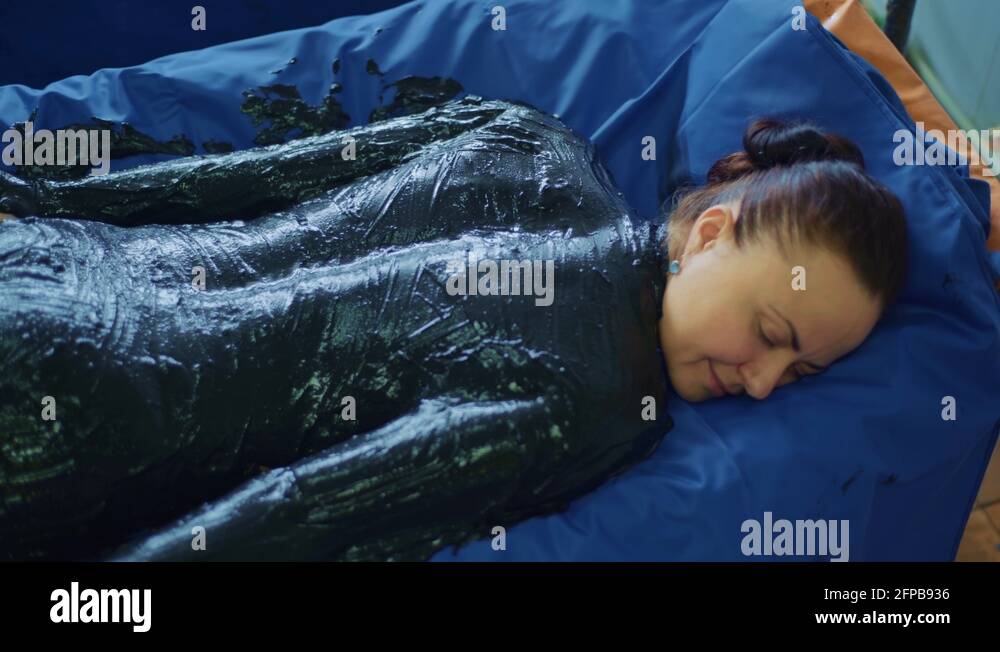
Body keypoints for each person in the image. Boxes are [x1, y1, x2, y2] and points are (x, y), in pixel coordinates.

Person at [0, 98, 906, 560]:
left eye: (795, 377)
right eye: (772, 331)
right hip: (76, 421)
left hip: (53, 262)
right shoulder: (603, 402)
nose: (758, 381)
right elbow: (295, 517)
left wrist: (44, 200)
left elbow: (250, 174)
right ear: (712, 233)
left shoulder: (529, 134)